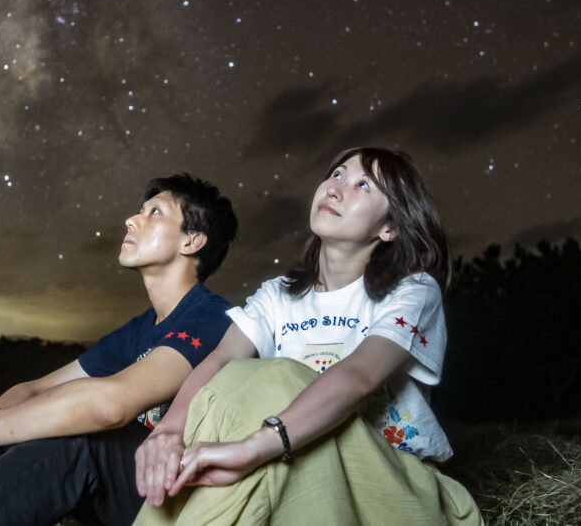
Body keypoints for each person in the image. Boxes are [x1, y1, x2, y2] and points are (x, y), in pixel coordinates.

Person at [134, 147, 482, 525]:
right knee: (239, 392)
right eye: (336, 174)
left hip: (392, 489)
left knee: (275, 382)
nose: (335, 189)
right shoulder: (279, 294)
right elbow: (219, 360)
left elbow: (360, 376)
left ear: (391, 226)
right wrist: (168, 432)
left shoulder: (412, 290)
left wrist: (255, 446)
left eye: (362, 185)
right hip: (302, 472)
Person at [0, 173, 238, 525]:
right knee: (14, 430)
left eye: (153, 212)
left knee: (76, 438)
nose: (130, 220)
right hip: (132, 487)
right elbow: (35, 390)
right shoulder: (138, 329)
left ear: (192, 241)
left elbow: (110, 406)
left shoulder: (211, 318)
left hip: (184, 501)